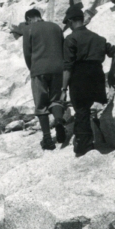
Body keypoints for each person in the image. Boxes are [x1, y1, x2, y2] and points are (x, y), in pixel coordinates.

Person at [62, 7, 115, 156]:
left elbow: (68, 67)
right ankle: (95, 138)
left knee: (81, 110)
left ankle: (84, 147)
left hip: (79, 76)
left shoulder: (71, 39)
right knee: (91, 108)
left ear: (70, 21)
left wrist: (63, 89)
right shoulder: (98, 38)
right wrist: (112, 74)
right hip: (97, 76)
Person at [22, 8, 66, 150]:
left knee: (41, 104)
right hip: (58, 69)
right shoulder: (55, 27)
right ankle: (59, 121)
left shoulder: (29, 30)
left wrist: (32, 68)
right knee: (56, 99)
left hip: (39, 70)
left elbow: (27, 54)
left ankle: (47, 138)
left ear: (28, 19)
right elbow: (63, 47)